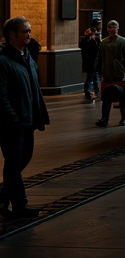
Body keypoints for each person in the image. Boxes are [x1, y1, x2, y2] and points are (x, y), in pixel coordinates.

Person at [0, 17, 49, 220]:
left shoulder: (26, 55)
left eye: (29, 30)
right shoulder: (3, 61)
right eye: (25, 31)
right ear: (12, 35)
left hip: (28, 119)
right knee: (13, 163)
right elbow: (1, 96)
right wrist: (13, 118)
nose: (29, 34)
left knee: (22, 160)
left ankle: (3, 198)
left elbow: (33, 88)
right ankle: (20, 205)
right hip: (13, 123)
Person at [95, 20, 125, 127]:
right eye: (110, 27)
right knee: (106, 97)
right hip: (107, 74)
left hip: (119, 74)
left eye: (114, 27)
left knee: (123, 97)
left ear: (117, 28)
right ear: (107, 29)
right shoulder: (104, 42)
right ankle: (104, 118)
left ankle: (124, 117)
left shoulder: (123, 41)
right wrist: (98, 68)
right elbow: (99, 57)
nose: (112, 29)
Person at [79, 26, 100, 101]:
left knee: (93, 76)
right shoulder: (92, 41)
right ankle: (90, 90)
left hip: (90, 62)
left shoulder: (88, 41)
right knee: (91, 76)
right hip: (91, 62)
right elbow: (95, 51)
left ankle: (94, 90)